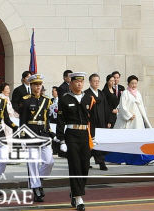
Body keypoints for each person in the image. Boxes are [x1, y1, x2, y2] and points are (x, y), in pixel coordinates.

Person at [57, 72, 93, 211]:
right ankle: (78, 198)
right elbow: (60, 121)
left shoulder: (88, 98)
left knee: (85, 166)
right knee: (75, 166)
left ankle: (75, 190)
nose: (79, 84)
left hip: (84, 134)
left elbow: (92, 119)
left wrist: (93, 137)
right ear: (71, 83)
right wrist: (61, 140)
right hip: (71, 134)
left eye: (81, 82)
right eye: (76, 82)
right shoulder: (65, 99)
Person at [16, 74, 55, 202]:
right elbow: (23, 121)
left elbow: (47, 120)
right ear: (31, 86)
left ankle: (37, 180)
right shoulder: (26, 100)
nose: (38, 87)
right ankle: (36, 188)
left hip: (43, 134)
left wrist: (50, 132)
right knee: (32, 164)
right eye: (35, 84)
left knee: (49, 161)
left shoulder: (47, 100)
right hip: (30, 134)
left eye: (39, 84)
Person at [85, 73, 108, 170]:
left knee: (100, 143)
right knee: (91, 142)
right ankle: (100, 162)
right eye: (94, 81)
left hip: (101, 122)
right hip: (91, 123)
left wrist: (108, 121)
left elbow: (106, 108)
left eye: (98, 81)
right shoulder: (86, 94)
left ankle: (88, 161)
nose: (96, 83)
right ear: (90, 82)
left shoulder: (101, 93)